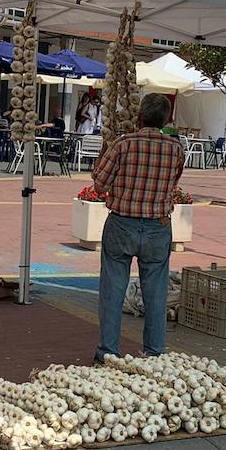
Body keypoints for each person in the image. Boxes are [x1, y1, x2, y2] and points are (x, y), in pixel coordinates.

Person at [90, 93, 185, 363]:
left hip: (122, 222)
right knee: (156, 294)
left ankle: (108, 352)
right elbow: (173, 182)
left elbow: (100, 184)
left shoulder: (123, 144)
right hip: (158, 226)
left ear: (140, 115)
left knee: (113, 291)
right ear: (166, 119)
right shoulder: (175, 148)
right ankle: (154, 353)